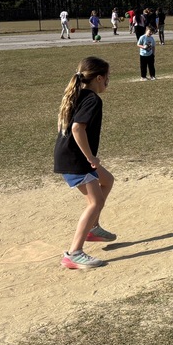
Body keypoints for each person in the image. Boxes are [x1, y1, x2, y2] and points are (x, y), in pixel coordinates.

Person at [53, 56, 116, 270]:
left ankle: (93, 228)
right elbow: (77, 128)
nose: (108, 82)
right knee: (95, 202)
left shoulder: (78, 94)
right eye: (107, 78)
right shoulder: (92, 99)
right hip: (75, 159)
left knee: (107, 180)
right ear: (99, 78)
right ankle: (74, 253)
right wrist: (90, 158)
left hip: (70, 155)